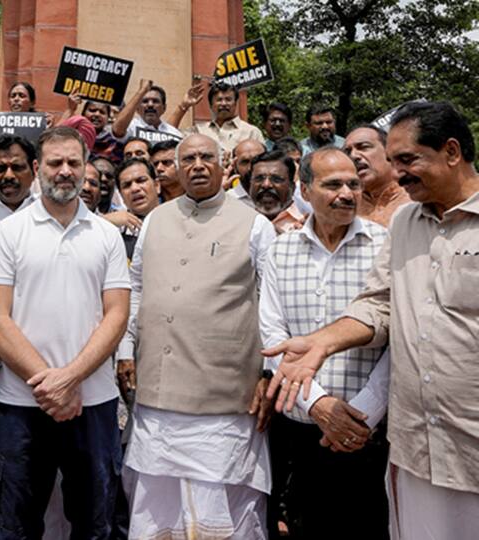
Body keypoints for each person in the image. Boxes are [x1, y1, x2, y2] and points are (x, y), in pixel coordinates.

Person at [266, 101, 479, 540]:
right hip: (416, 449)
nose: (395, 174)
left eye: (407, 160)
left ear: (452, 152)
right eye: (394, 161)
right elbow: (378, 306)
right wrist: (323, 343)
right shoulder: (405, 223)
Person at [119, 133, 276, 539]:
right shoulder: (155, 218)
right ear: (173, 167)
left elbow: (272, 305)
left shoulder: (255, 225)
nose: (198, 165)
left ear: (223, 162)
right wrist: (125, 349)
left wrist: (269, 374)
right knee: (156, 504)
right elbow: (136, 288)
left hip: (225, 398)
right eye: (188, 159)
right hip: (157, 394)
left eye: (206, 156)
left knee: (228, 507)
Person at [0, 127, 130, 538]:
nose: (64, 171)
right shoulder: (10, 232)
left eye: (73, 163)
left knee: (94, 521)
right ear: (37, 168)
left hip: (94, 402)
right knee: (16, 525)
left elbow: (116, 316)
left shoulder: (106, 235)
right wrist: (50, 384)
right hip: (22, 402)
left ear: (86, 169)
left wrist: (71, 378)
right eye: (55, 163)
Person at [260, 147, 390, 539]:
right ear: (304, 189)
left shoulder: (385, 244)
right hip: (300, 427)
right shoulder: (281, 250)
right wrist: (317, 404)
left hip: (368, 431)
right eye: (333, 184)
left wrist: (364, 412)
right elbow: (272, 336)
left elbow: (398, 333)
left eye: (354, 183)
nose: (347, 193)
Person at [343, 124, 411, 227]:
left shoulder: (416, 198)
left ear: (388, 151)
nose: (354, 156)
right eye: (348, 152)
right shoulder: (346, 207)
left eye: (363, 147)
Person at [174, 81, 264, 154]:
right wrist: (183, 106)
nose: (224, 104)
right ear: (211, 105)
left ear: (235, 103)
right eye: (219, 100)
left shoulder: (251, 132)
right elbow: (168, 134)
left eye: (228, 99)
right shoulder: (199, 130)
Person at [0, 134, 37, 230]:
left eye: (17, 167)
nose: (9, 176)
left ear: (34, 171)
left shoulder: (47, 210)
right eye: (1, 168)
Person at [115, 157, 161, 259]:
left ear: (157, 185)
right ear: (121, 195)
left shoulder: (177, 219)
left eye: (141, 181)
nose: (135, 189)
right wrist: (104, 222)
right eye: (127, 185)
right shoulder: (113, 229)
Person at [247, 150, 303, 233]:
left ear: (292, 187)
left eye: (276, 179)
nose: (266, 185)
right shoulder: (240, 222)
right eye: (259, 178)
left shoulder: (307, 223)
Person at [112, 79, 183, 141]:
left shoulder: (174, 133)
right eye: (145, 101)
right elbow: (117, 130)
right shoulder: (130, 127)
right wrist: (142, 90)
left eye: (155, 101)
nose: (150, 105)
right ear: (137, 108)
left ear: (164, 108)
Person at [227, 139, 265, 205]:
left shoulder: (282, 196)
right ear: (235, 167)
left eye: (257, 160)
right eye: (245, 162)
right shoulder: (227, 201)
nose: (250, 168)